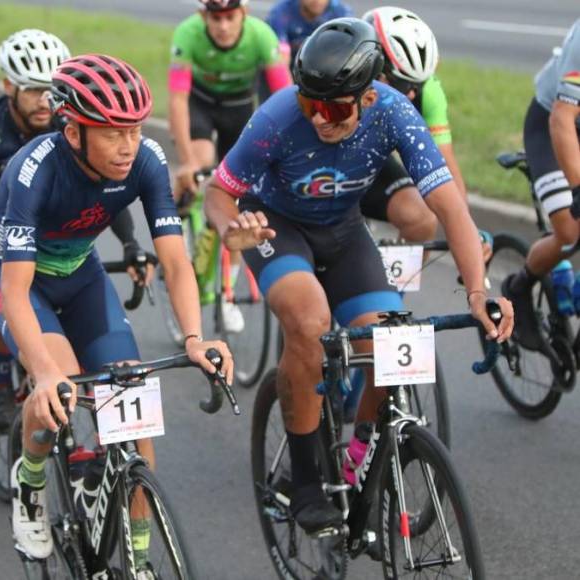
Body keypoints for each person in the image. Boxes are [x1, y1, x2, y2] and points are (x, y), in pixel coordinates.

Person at [204, 18, 513, 533]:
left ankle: (359, 452)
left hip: (344, 233)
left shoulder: (394, 112)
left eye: (335, 107)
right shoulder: (278, 116)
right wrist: (232, 224)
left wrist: (479, 291)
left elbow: (451, 208)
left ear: (368, 98)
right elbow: (219, 192)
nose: (320, 118)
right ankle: (303, 479)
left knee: (393, 342)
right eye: (311, 104)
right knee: (308, 320)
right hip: (276, 227)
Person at [0, 54, 232, 569]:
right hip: (19, 277)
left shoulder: (146, 160)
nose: (128, 145)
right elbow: (18, 288)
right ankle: (29, 478)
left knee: (131, 403)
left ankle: (137, 559)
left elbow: (176, 262)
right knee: (61, 385)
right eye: (113, 133)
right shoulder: (34, 170)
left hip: (80, 270)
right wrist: (43, 373)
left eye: (134, 129)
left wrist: (193, 338)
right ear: (72, 132)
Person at [0, 29, 151, 430]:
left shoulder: (73, 123)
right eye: (32, 90)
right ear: (9, 86)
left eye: (50, 90)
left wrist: (131, 242)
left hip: (59, 228)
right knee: (11, 283)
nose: (43, 101)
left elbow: (102, 192)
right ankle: (0, 374)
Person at [169, 0, 291, 330]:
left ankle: (227, 294)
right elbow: (178, 101)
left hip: (240, 111)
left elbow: (286, 98)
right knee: (204, 164)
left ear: (244, 14)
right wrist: (187, 162)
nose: (223, 26)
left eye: (230, 17)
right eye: (215, 18)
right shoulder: (188, 34)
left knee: (236, 197)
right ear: (202, 16)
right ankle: (185, 227)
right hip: (200, 107)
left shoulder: (262, 36)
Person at [358, 6, 470, 247]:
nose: (410, 94)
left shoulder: (429, 93)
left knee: (422, 221)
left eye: (417, 85)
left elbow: (445, 164)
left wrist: (466, 228)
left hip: (370, 165)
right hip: (321, 171)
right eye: (402, 83)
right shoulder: (343, 84)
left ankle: (395, 284)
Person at [502, 19, 580, 350]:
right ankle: (519, 287)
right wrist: (577, 189)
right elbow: (561, 119)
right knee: (570, 231)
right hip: (554, 124)